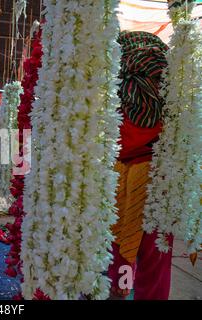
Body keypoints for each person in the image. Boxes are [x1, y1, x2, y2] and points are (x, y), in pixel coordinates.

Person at [108, 31, 172, 300]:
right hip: (159, 183)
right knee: (156, 256)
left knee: (121, 249)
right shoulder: (171, 96)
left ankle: (116, 292)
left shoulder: (114, 94)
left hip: (120, 183)